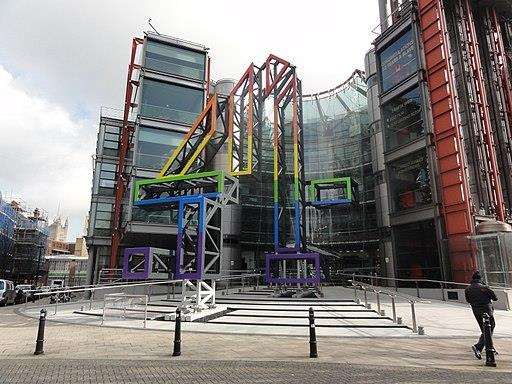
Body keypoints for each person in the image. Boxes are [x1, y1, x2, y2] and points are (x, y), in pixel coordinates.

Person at [464, 271, 498, 359]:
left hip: (476, 312)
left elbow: (468, 300)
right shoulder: (484, 287)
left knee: (485, 330)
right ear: (480, 279)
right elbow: (495, 298)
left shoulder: (468, 289)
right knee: (490, 328)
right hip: (487, 311)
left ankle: (490, 348)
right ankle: (478, 346)